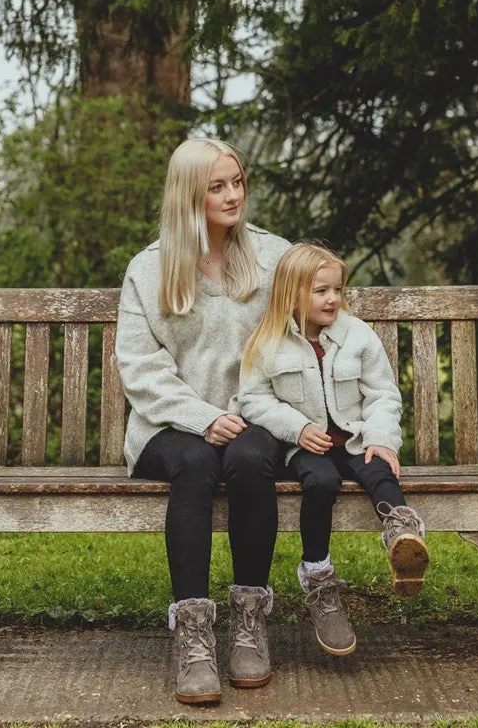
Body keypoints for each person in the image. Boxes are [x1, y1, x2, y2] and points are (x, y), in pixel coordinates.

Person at [115, 138, 291, 705]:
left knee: (248, 457)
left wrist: (250, 414)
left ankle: (248, 622)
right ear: (189, 193)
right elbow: (140, 370)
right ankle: (192, 636)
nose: (233, 195)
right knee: (194, 462)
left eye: (237, 181)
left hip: (255, 419)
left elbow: (301, 339)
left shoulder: (272, 259)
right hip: (169, 428)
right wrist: (203, 417)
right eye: (217, 186)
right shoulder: (149, 269)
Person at [232, 242, 429, 657]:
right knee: (320, 482)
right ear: (292, 294)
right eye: (321, 291)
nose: (333, 299)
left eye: (337, 289)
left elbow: (382, 395)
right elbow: (253, 400)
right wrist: (298, 428)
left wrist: (380, 438)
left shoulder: (358, 336)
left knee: (378, 468)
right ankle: (320, 580)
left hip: (355, 436)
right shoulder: (268, 342)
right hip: (306, 445)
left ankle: (402, 534)